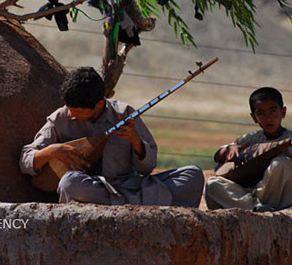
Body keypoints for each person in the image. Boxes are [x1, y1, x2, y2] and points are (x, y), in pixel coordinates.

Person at [19, 66, 205, 207]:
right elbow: (25, 159)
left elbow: (148, 167)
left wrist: (136, 142)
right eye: (70, 109)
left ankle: (134, 209)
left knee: (192, 175)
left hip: (130, 187)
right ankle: (138, 208)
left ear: (99, 104)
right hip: (93, 190)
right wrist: (52, 150)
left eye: (78, 111)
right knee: (69, 183)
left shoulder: (124, 113)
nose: (72, 115)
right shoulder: (60, 118)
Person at [205, 87, 292, 211]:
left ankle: (259, 208)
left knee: (281, 163)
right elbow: (218, 156)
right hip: (255, 196)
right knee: (213, 184)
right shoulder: (250, 139)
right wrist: (230, 148)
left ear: (283, 112)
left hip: (283, 197)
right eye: (261, 113)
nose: (268, 118)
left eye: (273, 111)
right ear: (254, 117)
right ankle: (256, 209)